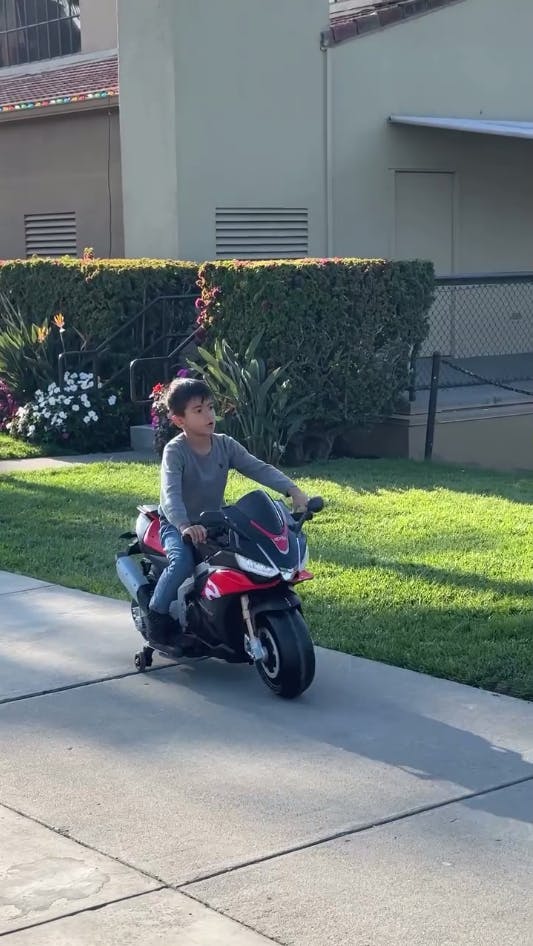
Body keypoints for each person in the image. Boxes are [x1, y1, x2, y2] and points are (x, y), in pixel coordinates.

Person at [144, 377, 309, 645]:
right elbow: (170, 494)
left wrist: (293, 490)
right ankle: (157, 618)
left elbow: (258, 468)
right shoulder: (175, 451)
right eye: (199, 410)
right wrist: (185, 525)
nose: (209, 415)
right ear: (179, 420)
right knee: (182, 563)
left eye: (210, 407)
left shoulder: (224, 444)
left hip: (215, 520)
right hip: (177, 524)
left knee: (247, 555)